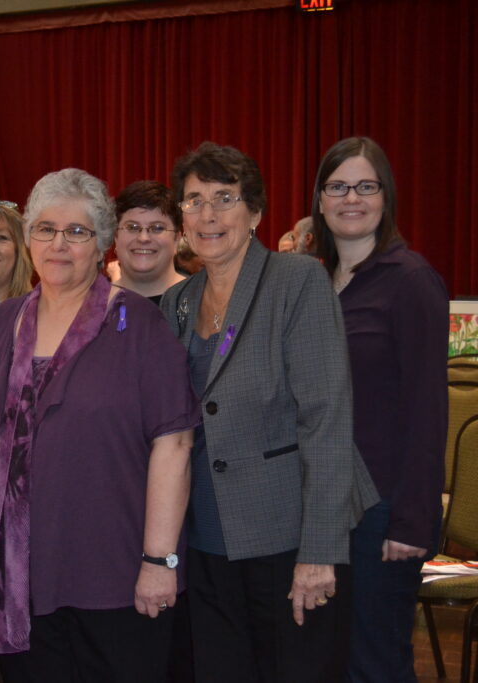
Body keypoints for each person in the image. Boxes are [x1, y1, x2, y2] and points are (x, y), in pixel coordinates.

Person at [0, 168, 200, 682]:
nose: (59, 244)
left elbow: (174, 444)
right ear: (30, 238)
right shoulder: (5, 321)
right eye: (46, 229)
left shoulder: (138, 325)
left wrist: (159, 561)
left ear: (102, 243)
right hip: (21, 572)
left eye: (77, 231)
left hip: (112, 572)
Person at [158, 142, 379, 682]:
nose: (207, 214)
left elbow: (327, 420)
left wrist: (319, 551)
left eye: (224, 198)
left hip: (289, 538)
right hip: (205, 541)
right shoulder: (177, 301)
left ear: (255, 212)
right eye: (193, 200)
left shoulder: (296, 281)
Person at [312, 136, 448, 682]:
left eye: (365, 186)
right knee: (332, 661)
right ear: (320, 199)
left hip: (383, 513)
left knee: (375, 665)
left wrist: (412, 521)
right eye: (338, 187)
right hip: (324, 507)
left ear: (385, 196)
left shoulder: (411, 281)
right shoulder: (314, 282)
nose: (352, 198)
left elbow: (427, 411)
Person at [112, 180, 186, 305]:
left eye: (157, 228)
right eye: (132, 227)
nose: (143, 238)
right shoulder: (92, 307)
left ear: (177, 239)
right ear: (115, 236)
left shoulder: (202, 303)